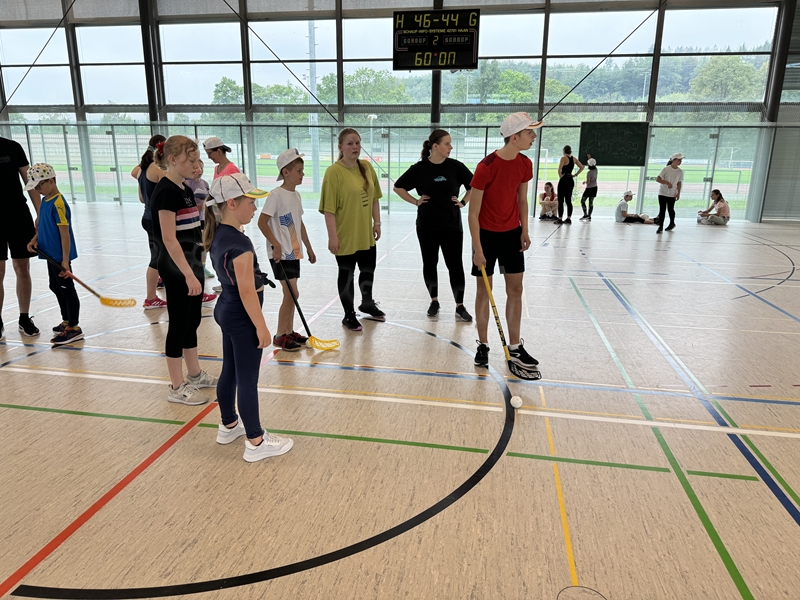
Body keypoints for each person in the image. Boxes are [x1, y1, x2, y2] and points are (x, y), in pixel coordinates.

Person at [205, 172, 293, 462]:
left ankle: (229, 424)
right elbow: (246, 291)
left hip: (226, 310)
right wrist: (261, 327)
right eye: (250, 202)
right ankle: (256, 441)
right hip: (241, 316)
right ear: (231, 204)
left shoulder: (220, 233)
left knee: (230, 370)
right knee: (247, 379)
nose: (255, 208)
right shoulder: (240, 244)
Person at [469, 112, 540, 370]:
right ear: (514, 137)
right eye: (529, 132)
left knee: (516, 290)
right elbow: (473, 213)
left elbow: (522, 200)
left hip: (512, 234)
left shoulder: (525, 164)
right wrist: (478, 249)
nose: (533, 136)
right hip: (486, 236)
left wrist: (524, 230)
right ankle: (483, 344)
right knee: (483, 291)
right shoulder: (486, 166)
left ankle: (515, 347)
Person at [151, 136, 218, 405]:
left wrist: (198, 264)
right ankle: (177, 387)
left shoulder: (186, 188)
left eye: (197, 160)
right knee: (178, 324)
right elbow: (169, 239)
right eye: (190, 160)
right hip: (176, 267)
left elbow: (194, 229)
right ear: (172, 159)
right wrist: (188, 274)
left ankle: (195, 374)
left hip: (192, 263)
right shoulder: (165, 192)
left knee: (192, 320)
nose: (196, 165)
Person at [393, 129, 473, 321]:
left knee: (455, 265)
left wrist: (463, 202)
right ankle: (434, 301)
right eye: (447, 143)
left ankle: (460, 306)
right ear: (435, 146)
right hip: (426, 227)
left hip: (452, 227)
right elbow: (398, 187)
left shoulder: (456, 167)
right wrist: (416, 201)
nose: (451, 147)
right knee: (430, 264)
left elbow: (474, 186)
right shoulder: (419, 169)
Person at [319, 128, 385, 331]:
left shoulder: (366, 166)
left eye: (357, 143)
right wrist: (332, 237)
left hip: (365, 235)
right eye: (350, 143)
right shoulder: (333, 173)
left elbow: (375, 198)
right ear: (341, 147)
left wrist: (377, 223)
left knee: (368, 270)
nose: (355, 147)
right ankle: (348, 315)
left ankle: (367, 303)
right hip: (345, 236)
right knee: (347, 275)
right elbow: (329, 210)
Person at [258, 148, 317, 351]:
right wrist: (275, 244)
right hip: (280, 254)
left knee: (292, 295)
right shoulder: (276, 195)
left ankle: (289, 332)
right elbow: (262, 222)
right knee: (291, 293)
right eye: (299, 171)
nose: (303, 174)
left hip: (294, 252)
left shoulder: (296, 195)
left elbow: (300, 224)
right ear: (286, 172)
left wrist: (309, 247)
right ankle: (279, 335)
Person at [24, 164, 83, 345]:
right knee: (55, 286)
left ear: (51, 181)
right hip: (49, 254)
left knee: (67, 289)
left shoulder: (58, 203)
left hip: (59, 256)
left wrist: (65, 260)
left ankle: (74, 328)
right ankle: (66, 320)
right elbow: (43, 226)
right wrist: (35, 239)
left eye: (39, 186)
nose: (37, 190)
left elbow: (65, 233)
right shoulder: (45, 201)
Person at [0, 135, 41, 339]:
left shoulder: (12, 147)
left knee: (22, 268)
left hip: (17, 215)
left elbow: (30, 182)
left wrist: (41, 213)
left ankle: (24, 318)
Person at [138, 135, 168, 310]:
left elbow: (142, 198)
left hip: (147, 216)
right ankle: (150, 298)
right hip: (156, 219)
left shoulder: (142, 169)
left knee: (158, 257)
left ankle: (158, 287)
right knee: (156, 258)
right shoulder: (156, 168)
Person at [185, 160, 221, 295]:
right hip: (194, 219)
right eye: (196, 168)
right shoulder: (187, 184)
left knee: (205, 244)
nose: (199, 170)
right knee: (196, 245)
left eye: (201, 167)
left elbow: (210, 199)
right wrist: (197, 206)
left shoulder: (204, 183)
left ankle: (203, 266)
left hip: (205, 218)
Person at [656, 152, 684, 234]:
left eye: (681, 160)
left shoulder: (680, 171)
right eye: (679, 160)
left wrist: (678, 193)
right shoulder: (666, 169)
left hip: (672, 193)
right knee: (662, 209)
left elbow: (679, 183)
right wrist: (667, 183)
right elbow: (658, 179)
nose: (680, 162)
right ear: (673, 160)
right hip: (663, 192)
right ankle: (660, 226)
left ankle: (672, 223)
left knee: (671, 209)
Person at [555, 145, 583, 225]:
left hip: (564, 179)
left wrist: (561, 176)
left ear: (564, 150)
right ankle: (568, 218)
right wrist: (575, 175)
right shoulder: (574, 159)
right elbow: (581, 167)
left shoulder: (563, 158)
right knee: (568, 200)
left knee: (561, 200)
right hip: (570, 179)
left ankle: (560, 218)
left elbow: (559, 169)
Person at [580, 156, 598, 221]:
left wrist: (584, 182)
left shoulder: (589, 173)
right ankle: (589, 216)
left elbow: (588, 182)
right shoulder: (596, 170)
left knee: (582, 201)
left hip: (589, 189)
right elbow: (592, 163)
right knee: (591, 202)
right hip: (594, 188)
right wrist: (589, 158)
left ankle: (585, 214)